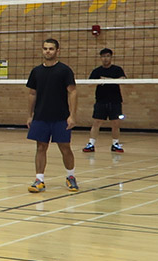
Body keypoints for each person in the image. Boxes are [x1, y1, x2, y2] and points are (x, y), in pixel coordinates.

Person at [26, 38, 78, 193]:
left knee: (65, 148)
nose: (47, 51)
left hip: (60, 117)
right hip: (41, 117)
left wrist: (72, 115)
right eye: (45, 48)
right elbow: (32, 93)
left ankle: (71, 177)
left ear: (57, 51)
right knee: (41, 147)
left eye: (51, 49)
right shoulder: (36, 71)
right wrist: (30, 115)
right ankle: (39, 180)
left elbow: (73, 92)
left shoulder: (64, 70)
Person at [83, 48, 126, 154]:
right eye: (103, 56)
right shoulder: (97, 71)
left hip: (115, 100)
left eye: (107, 56)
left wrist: (107, 80)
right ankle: (91, 144)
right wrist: (99, 81)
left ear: (111, 57)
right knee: (97, 122)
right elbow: (89, 83)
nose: (105, 59)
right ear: (100, 58)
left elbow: (124, 80)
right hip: (101, 100)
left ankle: (115, 144)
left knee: (115, 123)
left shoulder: (117, 69)